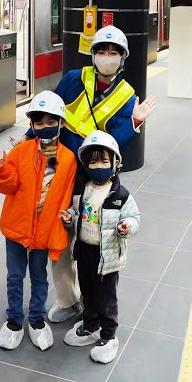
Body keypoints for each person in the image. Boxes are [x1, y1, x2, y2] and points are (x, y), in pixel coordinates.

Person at [45, 25, 156, 325]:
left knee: (91, 241)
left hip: (95, 179)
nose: (107, 57)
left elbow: (114, 145)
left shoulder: (127, 96)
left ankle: (97, 308)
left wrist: (134, 121)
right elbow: (51, 115)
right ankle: (68, 300)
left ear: (122, 58)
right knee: (59, 236)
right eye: (101, 51)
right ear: (93, 55)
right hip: (62, 171)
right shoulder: (73, 80)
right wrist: (31, 136)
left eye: (113, 52)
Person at [0, 91, 77, 351]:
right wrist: (3, 171)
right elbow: (8, 187)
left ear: (61, 124)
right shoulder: (20, 152)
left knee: (39, 277)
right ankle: (15, 320)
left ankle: (37, 320)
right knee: (15, 275)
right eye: (39, 123)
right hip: (17, 228)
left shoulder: (69, 159)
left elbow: (66, 196)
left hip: (44, 230)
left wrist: (67, 219)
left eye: (51, 122)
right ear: (31, 125)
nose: (45, 127)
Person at [59, 131, 140, 363]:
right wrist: (69, 218)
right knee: (88, 291)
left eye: (104, 161)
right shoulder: (83, 191)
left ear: (116, 164)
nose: (98, 166)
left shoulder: (121, 195)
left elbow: (134, 218)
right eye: (92, 161)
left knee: (106, 297)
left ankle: (108, 335)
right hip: (86, 251)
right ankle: (90, 325)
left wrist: (127, 226)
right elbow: (78, 214)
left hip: (108, 256)